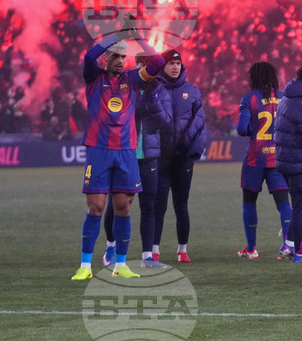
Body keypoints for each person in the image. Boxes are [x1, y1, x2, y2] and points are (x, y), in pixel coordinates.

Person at [72, 29, 165, 281]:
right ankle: (85, 265)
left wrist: (135, 36)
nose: (120, 61)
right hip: (99, 150)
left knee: (123, 206)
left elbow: (158, 62)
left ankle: (121, 264)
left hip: (126, 151)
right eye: (115, 56)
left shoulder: (132, 79)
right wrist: (115, 37)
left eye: (123, 58)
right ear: (107, 58)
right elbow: (88, 58)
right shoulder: (94, 77)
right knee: (96, 207)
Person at [100, 51, 172, 269]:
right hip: (124, 153)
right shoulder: (124, 87)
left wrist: (151, 98)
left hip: (148, 154)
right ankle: (111, 245)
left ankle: (147, 256)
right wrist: (142, 98)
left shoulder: (159, 90)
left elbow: (165, 122)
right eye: (142, 65)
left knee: (149, 205)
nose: (145, 71)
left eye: (148, 66)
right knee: (116, 204)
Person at [153, 49, 206, 263]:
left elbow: (200, 122)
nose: (175, 67)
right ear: (163, 66)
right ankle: (153, 251)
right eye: (171, 63)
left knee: (181, 205)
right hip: (160, 157)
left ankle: (182, 250)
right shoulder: (154, 89)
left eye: (178, 63)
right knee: (159, 205)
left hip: (183, 158)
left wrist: (192, 150)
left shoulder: (192, 91)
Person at [236, 62, 292, 259]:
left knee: (249, 201)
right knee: (284, 203)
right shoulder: (284, 97)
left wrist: (255, 132)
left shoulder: (249, 99)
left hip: (255, 158)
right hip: (279, 157)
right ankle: (288, 245)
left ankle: (251, 249)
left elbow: (242, 129)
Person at [275, 64, 302, 262]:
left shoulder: (286, 97)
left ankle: (289, 243)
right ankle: (300, 252)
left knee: (298, 202)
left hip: (284, 159)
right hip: (298, 160)